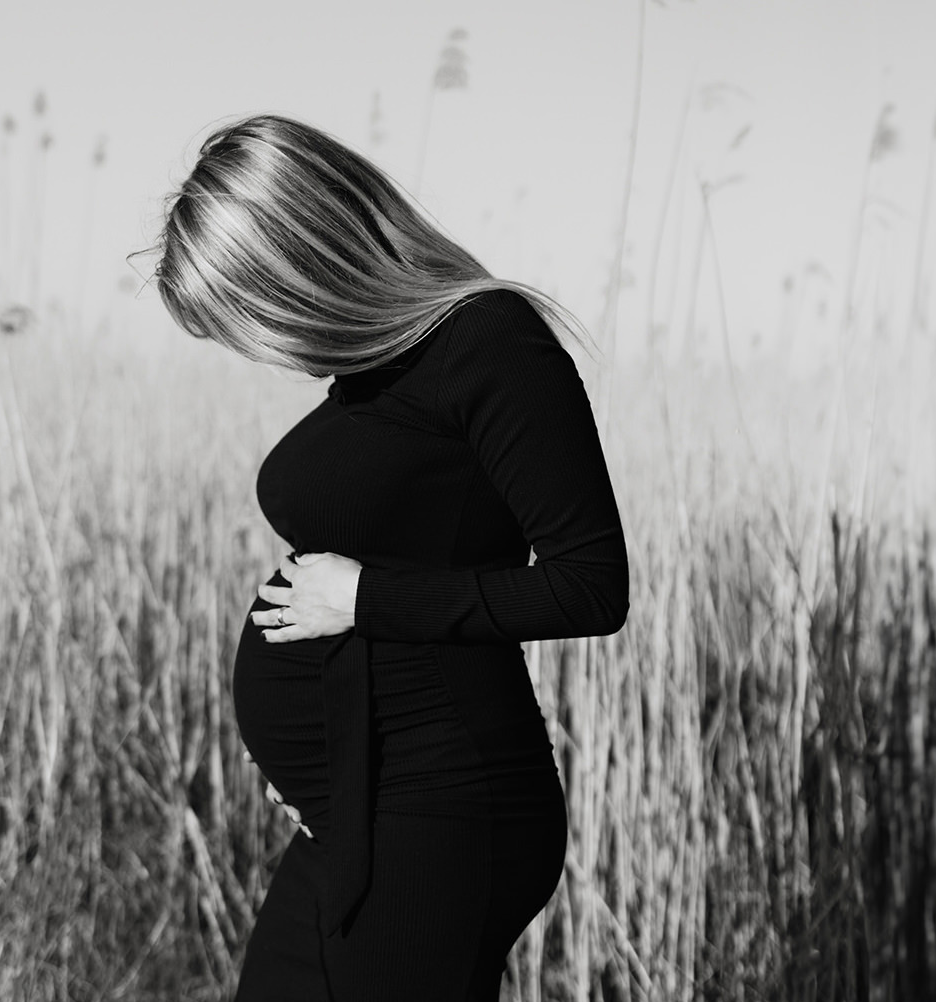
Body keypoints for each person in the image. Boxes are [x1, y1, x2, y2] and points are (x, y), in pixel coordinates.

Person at [153, 113, 629, 1002]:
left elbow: (590, 586)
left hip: (447, 804)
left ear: (298, 264)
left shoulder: (492, 341)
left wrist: (368, 598)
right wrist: (329, 769)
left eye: (249, 318)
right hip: (368, 803)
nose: (264, 347)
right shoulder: (376, 374)